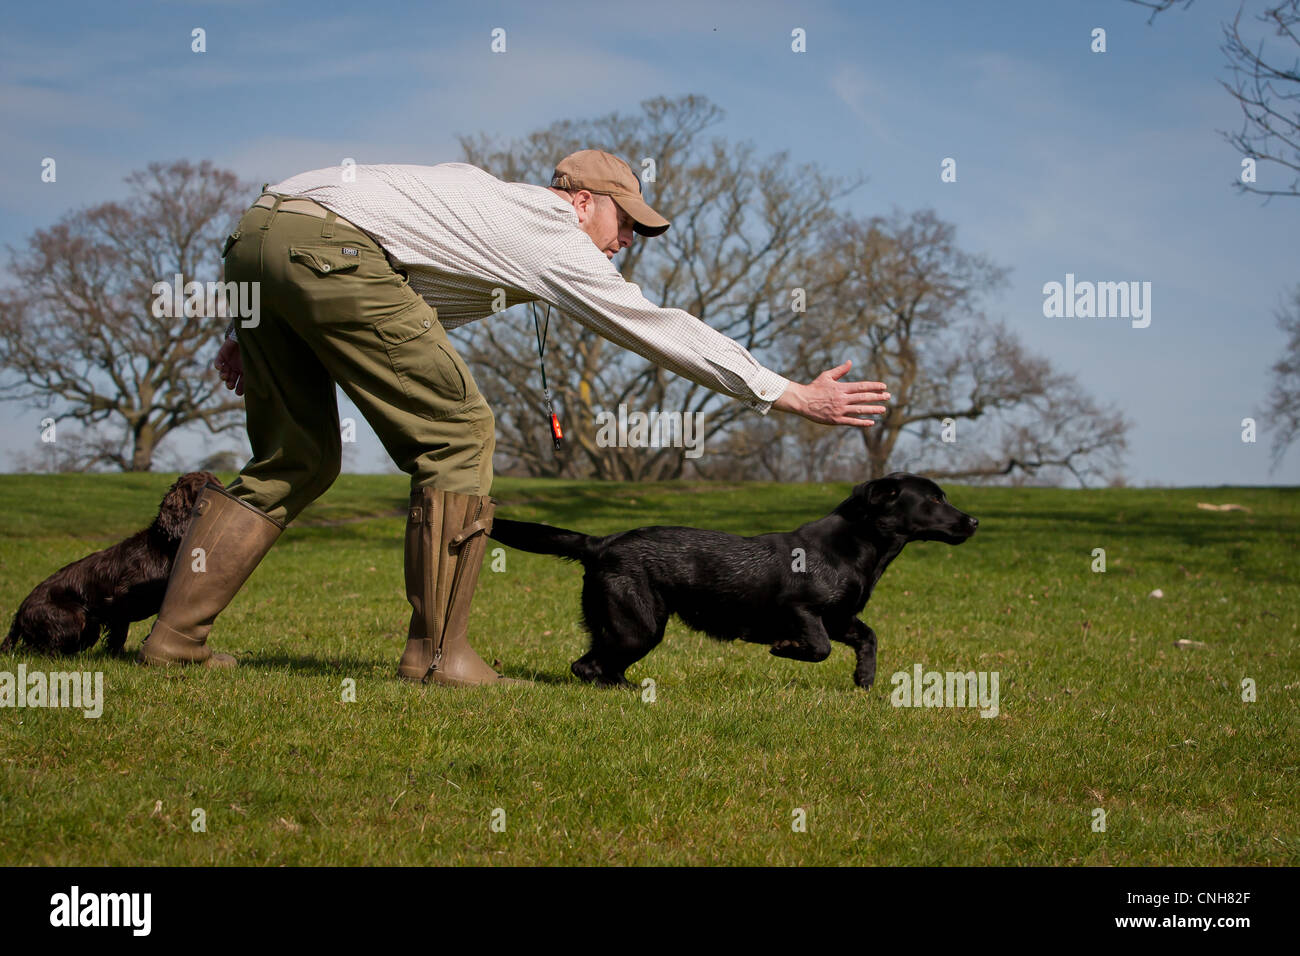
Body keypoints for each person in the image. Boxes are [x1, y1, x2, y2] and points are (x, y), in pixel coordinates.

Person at [137, 150, 891, 687]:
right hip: (330, 249)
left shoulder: (478, 206)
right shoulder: (549, 231)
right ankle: (439, 658)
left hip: (260, 237)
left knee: (295, 458)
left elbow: (358, 277)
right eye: (625, 222)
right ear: (582, 201)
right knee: (459, 434)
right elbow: (655, 326)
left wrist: (251, 323)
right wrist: (785, 392)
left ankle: (175, 640)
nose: (628, 242)